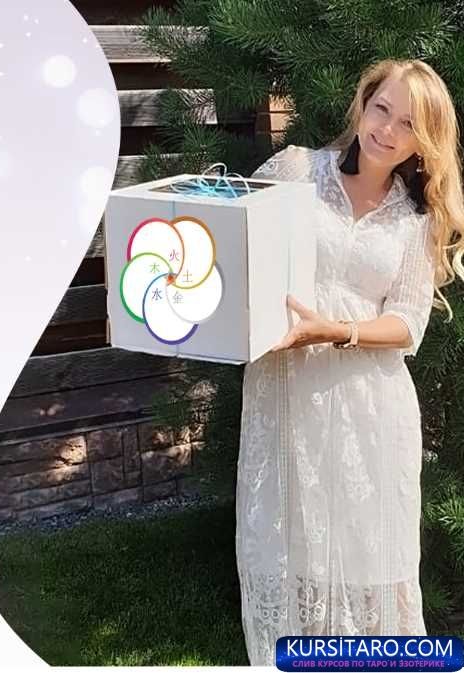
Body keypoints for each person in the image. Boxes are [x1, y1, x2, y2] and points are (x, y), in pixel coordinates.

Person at [235, 58, 464, 665]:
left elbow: (409, 323)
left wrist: (334, 331)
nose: (387, 129)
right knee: (289, 541)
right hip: (287, 390)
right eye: (381, 108)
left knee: (369, 553)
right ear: (362, 103)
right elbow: (238, 243)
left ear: (425, 141)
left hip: (370, 406)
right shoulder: (295, 171)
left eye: (408, 123)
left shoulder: (416, 220)